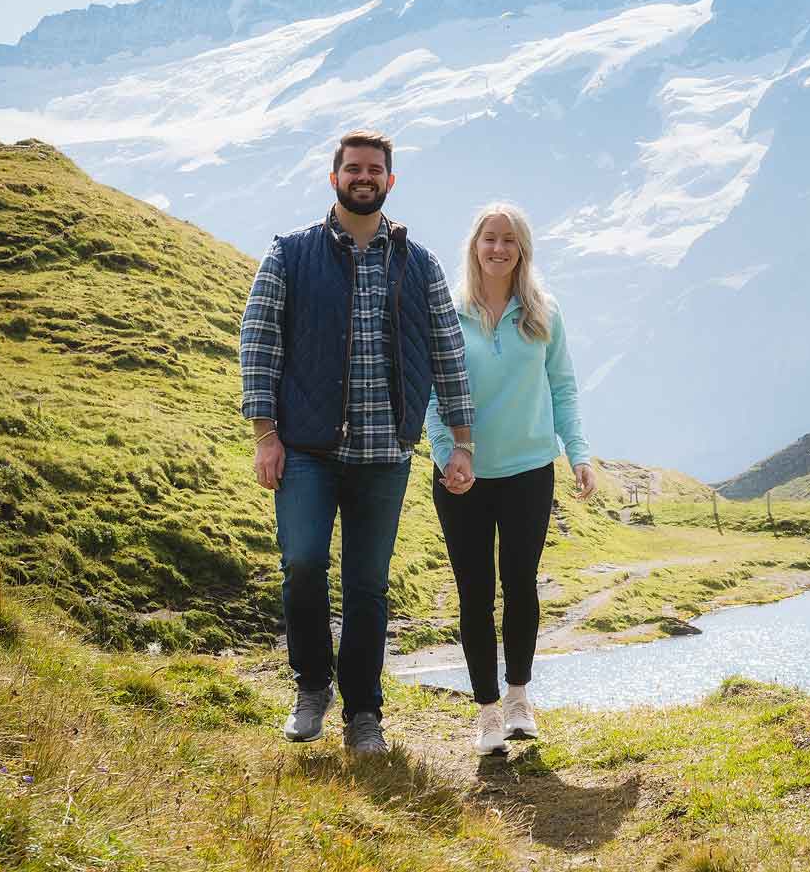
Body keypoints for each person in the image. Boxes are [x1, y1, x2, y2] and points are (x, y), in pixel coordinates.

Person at [239, 128, 475, 755]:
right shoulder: (289, 254)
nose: (363, 177)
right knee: (303, 562)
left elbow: (449, 354)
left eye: (375, 170)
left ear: (389, 181)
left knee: (368, 584)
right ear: (334, 176)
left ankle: (364, 713)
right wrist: (266, 435)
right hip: (307, 450)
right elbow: (258, 344)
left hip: (386, 455)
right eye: (353, 169)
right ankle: (312, 686)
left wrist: (462, 441)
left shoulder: (418, 263)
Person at [427, 201, 599, 756]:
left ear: (522, 250)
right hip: (464, 476)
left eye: (509, 240)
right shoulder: (447, 314)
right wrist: (448, 454)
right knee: (474, 593)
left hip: (529, 472)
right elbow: (431, 397)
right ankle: (485, 714)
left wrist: (579, 454)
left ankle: (519, 698)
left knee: (520, 585)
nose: (498, 249)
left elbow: (564, 389)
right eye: (489, 239)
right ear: (473, 246)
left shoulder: (543, 313)